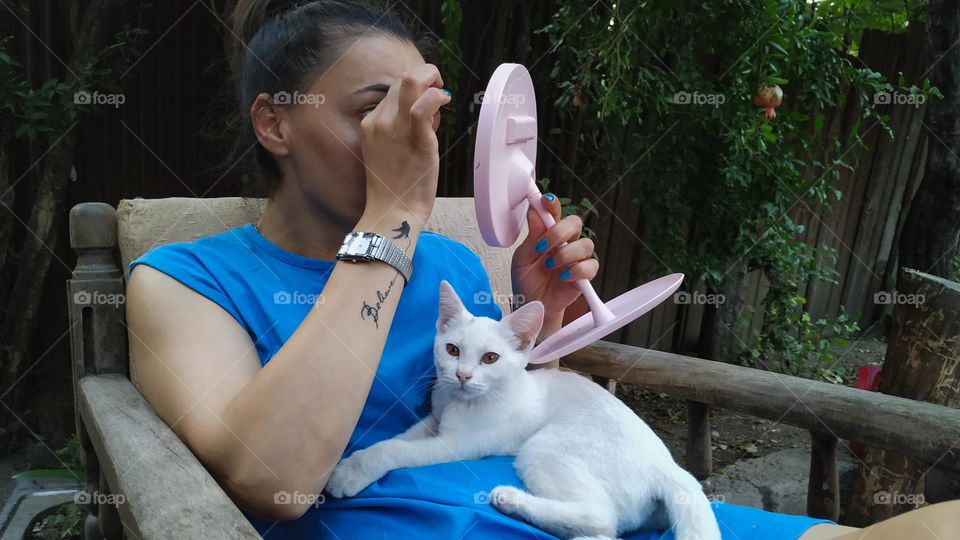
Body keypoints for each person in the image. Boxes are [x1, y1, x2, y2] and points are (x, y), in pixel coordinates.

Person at [124, 1, 959, 538]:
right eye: (375, 112)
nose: (412, 143)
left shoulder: (449, 261)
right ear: (276, 124)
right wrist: (389, 218)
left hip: (584, 507)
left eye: (421, 117)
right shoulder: (182, 281)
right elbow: (272, 483)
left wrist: (542, 317)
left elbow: (512, 411)